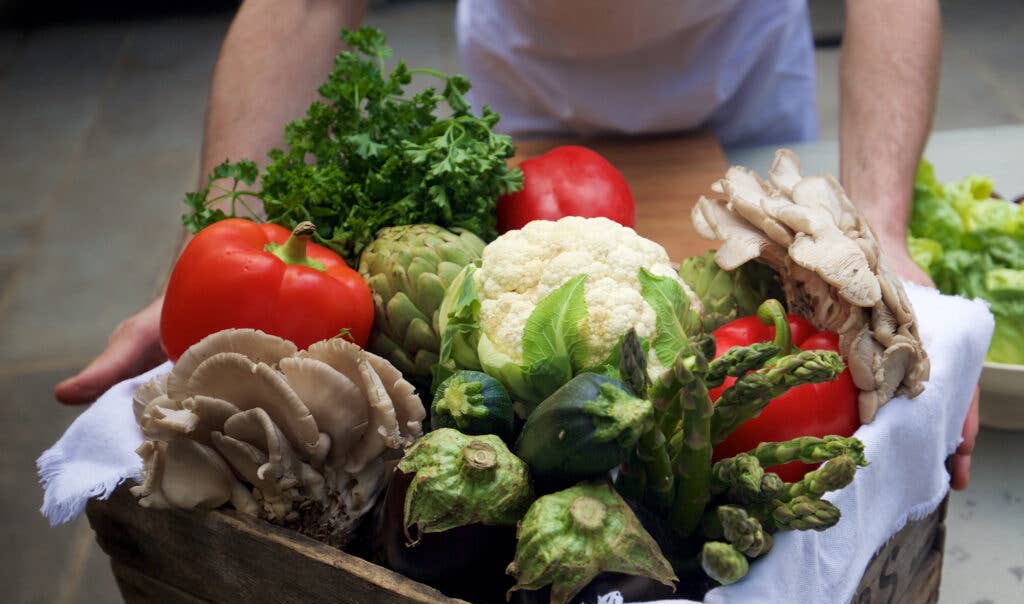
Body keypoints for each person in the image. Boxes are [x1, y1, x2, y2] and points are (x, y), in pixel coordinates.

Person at [53, 0, 978, 488]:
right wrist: (219, 249)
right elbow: (299, 7)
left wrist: (879, 239)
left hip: (736, 71)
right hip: (525, 77)